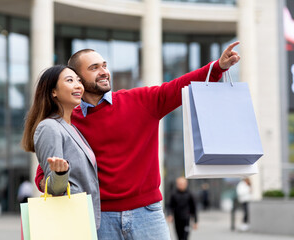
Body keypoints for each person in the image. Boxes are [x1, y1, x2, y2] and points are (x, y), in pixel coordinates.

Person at [34, 42, 240, 239]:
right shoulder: (70, 120)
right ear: (78, 78)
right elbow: (44, 175)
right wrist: (54, 180)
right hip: (100, 219)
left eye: (104, 65)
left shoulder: (140, 100)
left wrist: (217, 68)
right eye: (94, 68)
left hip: (148, 214)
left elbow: (178, 87)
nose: (104, 71)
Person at [21, 65, 100, 229]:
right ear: (53, 92)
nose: (78, 85)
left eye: (79, 80)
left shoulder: (72, 128)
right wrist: (60, 173)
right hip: (70, 222)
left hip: (84, 219)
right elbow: (53, 188)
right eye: (70, 81)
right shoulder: (49, 127)